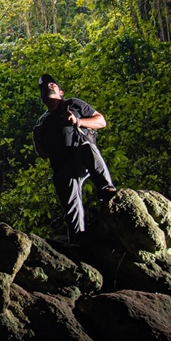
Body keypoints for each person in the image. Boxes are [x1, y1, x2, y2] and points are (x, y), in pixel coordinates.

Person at [32, 74, 116, 242]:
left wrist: (77, 121)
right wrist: (36, 138)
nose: (49, 86)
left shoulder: (72, 104)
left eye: (53, 84)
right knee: (72, 212)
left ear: (61, 92)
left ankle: (107, 190)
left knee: (87, 148)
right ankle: (78, 245)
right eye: (45, 86)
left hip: (80, 154)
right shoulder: (43, 122)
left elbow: (101, 121)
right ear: (42, 98)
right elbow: (44, 155)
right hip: (62, 168)